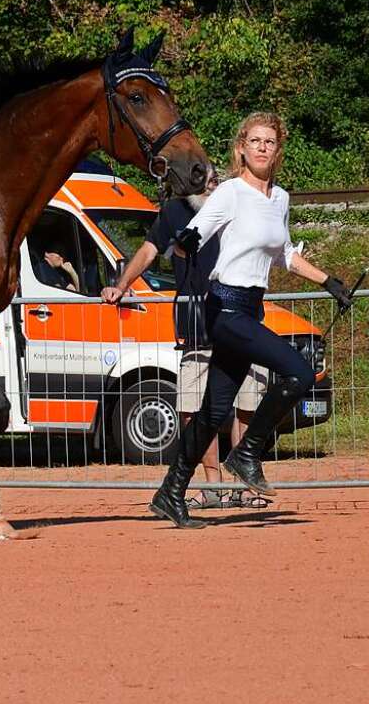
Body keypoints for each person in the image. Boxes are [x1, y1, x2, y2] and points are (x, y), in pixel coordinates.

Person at [148, 112, 353, 529]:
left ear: (278, 151)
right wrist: (186, 241)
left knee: (213, 411)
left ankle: (170, 492)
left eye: (270, 142)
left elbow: (284, 254)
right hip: (223, 307)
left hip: (249, 307)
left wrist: (328, 281)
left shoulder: (280, 199)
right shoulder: (230, 193)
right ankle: (247, 453)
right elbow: (200, 229)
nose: (262, 147)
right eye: (255, 140)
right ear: (241, 147)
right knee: (298, 371)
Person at [101, 172, 268, 509]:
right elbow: (148, 251)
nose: (209, 183)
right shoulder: (174, 212)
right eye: (201, 178)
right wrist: (122, 284)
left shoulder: (237, 205)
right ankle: (213, 487)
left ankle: (245, 487)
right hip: (196, 328)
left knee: (247, 405)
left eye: (214, 178)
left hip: (242, 321)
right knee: (193, 409)